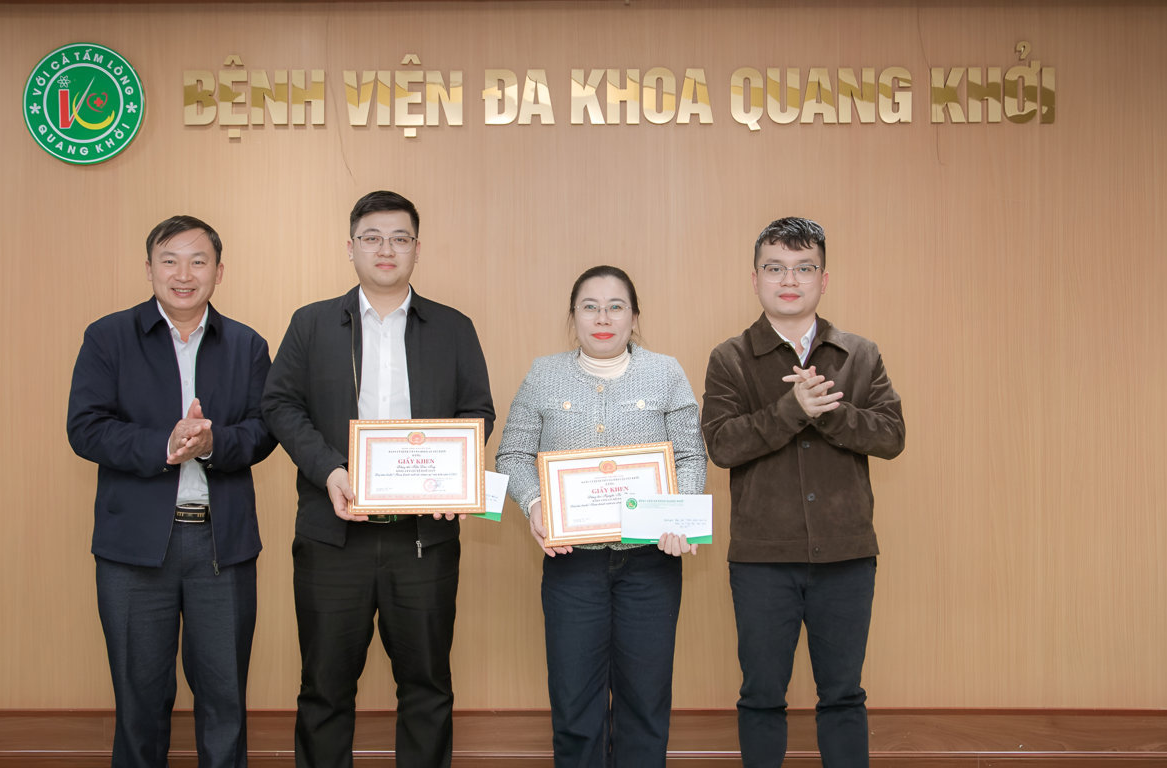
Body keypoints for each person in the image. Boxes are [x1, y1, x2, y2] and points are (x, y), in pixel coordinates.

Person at [260, 190, 495, 768]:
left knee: (427, 686)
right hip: (332, 536)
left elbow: (477, 411)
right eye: (372, 238)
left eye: (399, 238)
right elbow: (280, 404)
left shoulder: (453, 327)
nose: (385, 249)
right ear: (350, 247)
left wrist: (453, 477)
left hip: (423, 540)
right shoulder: (312, 323)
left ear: (417, 248)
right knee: (324, 688)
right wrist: (329, 469)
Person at [66, 215, 277, 768]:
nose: (184, 274)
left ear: (219, 271)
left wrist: (211, 442)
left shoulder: (248, 345)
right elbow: (85, 428)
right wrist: (165, 443)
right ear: (149, 268)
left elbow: (264, 431)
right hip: (134, 550)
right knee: (139, 703)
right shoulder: (108, 337)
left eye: (198, 261)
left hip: (221, 547)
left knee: (225, 701)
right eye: (170, 260)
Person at [701, 217, 905, 767]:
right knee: (761, 696)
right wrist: (791, 410)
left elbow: (891, 436)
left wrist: (828, 413)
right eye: (775, 268)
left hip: (847, 554)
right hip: (762, 560)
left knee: (844, 696)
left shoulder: (860, 354)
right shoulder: (730, 358)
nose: (789, 280)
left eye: (803, 268)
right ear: (755, 279)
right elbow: (721, 445)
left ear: (824, 279)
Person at [494, 265, 707, 768]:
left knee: (645, 701)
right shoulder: (543, 374)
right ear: (573, 317)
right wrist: (535, 504)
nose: (603, 318)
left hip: (651, 564)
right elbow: (512, 454)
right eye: (590, 307)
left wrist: (680, 515)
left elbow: (691, 456)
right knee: (574, 704)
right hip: (573, 564)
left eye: (616, 307)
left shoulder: (666, 372)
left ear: (635, 316)